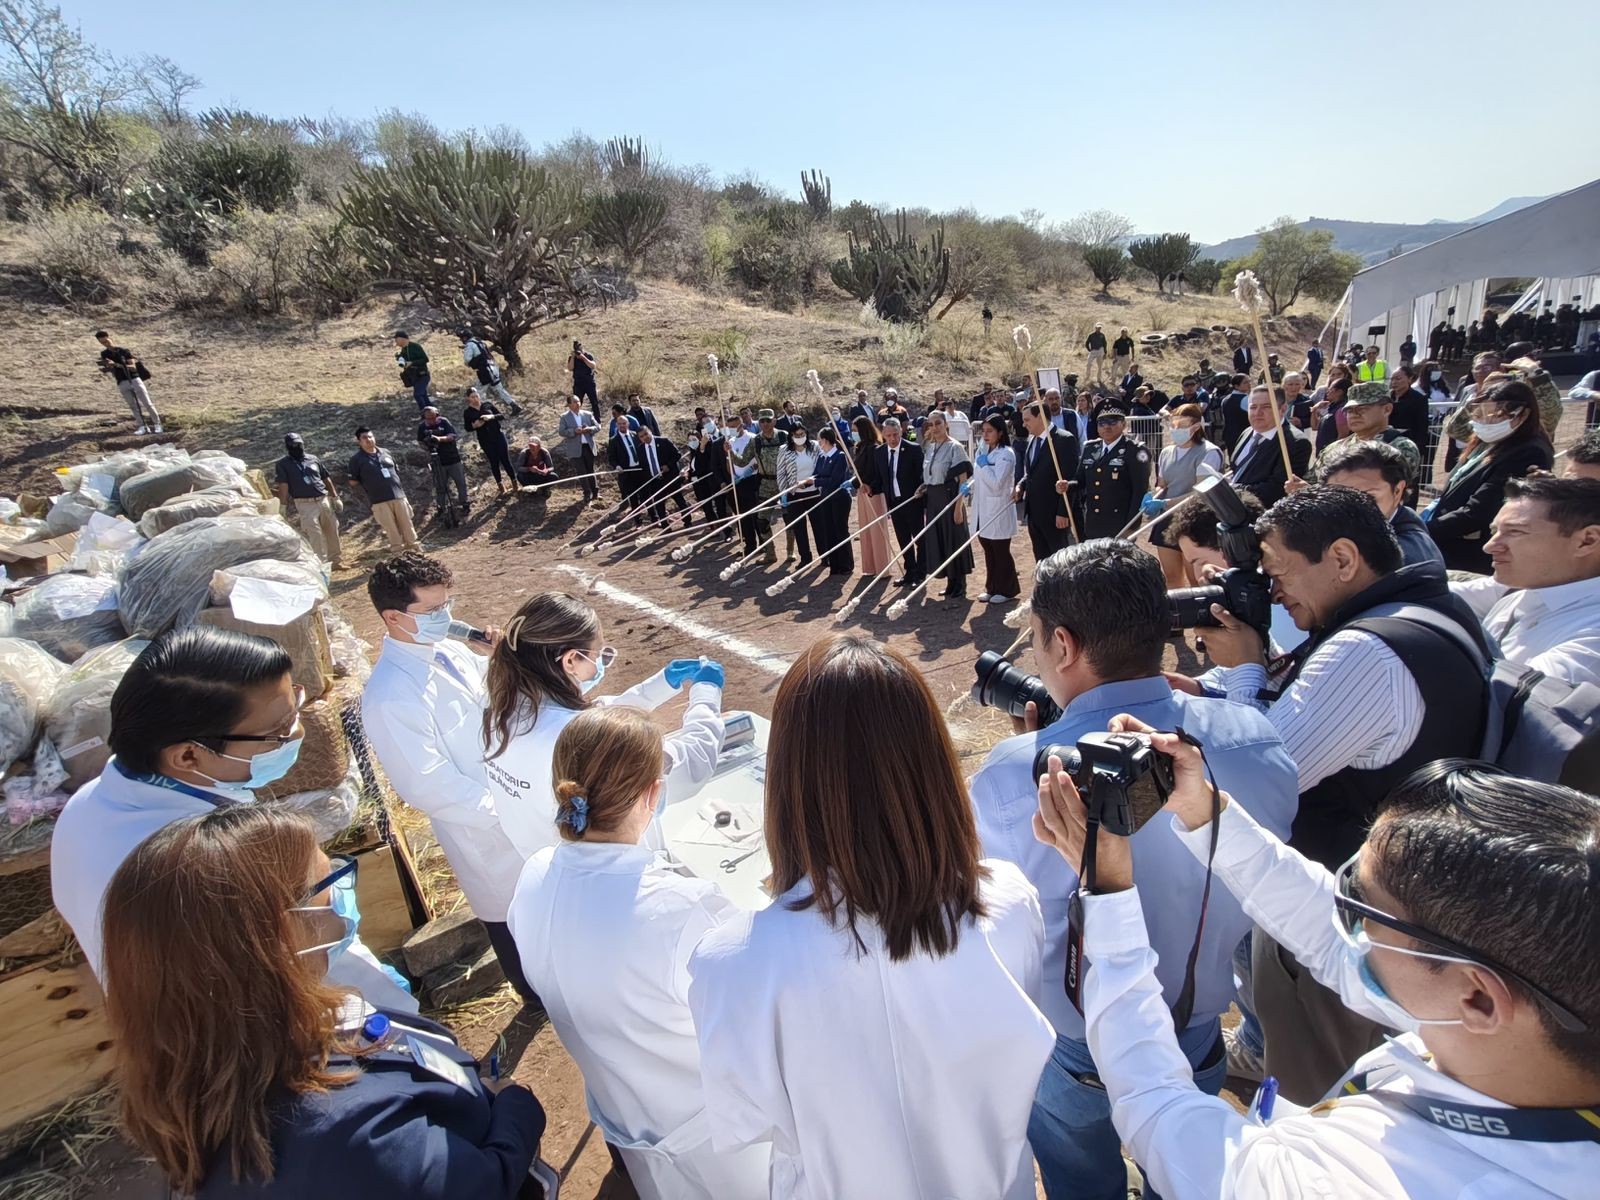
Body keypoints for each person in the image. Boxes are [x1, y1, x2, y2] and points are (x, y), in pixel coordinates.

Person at [1036, 742, 1600, 1199]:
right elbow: (1325, 931)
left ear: (1477, 998)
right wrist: (1203, 811)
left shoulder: (1336, 1184)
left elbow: (1156, 1102)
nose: (1341, 911)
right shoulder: (1531, 1017)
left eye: (1360, 905)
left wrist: (1105, 891)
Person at [968, 541, 1297, 1200]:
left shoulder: (1014, 772)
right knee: (1185, 1180)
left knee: (1078, 1181)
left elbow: (988, 918)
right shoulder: (1256, 736)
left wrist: (1037, 743)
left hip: (1074, 1044)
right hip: (1197, 1028)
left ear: (1062, 645)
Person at [689, 634, 1055, 1200]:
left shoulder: (731, 963)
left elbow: (750, 1119)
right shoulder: (1007, 900)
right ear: (931, 763)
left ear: (787, 780)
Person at [1174, 486, 1490, 1103]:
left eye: (1279, 572)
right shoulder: (1421, 609)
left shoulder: (1365, 652)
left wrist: (1242, 668)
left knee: (1316, 1086)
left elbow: (1258, 777)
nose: (1273, 592)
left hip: (1346, 919)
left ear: (1342, 559)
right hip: (1396, 889)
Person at [103, 803, 548, 1199]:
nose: (342, 897)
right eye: (330, 881)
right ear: (278, 933)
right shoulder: (351, 1133)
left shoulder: (223, 1056)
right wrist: (515, 1108)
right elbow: (481, 1184)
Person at [51, 626, 417, 1014]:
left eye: (295, 707)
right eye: (277, 732)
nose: (298, 733)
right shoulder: (207, 862)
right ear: (188, 756)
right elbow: (284, 980)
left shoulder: (90, 805)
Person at [508, 707, 768, 1197]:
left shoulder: (535, 873)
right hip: (719, 1137)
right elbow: (759, 1018)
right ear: (654, 793)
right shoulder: (682, 910)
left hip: (627, 1111)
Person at [358, 554, 537, 1007]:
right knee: (514, 926)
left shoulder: (451, 650)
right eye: (433, 612)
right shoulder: (390, 695)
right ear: (393, 617)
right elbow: (426, 785)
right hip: (486, 830)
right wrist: (508, 811)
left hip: (519, 803)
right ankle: (538, 1002)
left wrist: (501, 661)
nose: (447, 618)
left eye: (448, 606)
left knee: (545, 915)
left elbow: (492, 703)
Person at [481, 592, 726, 860]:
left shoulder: (502, 712)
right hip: (615, 875)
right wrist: (706, 693)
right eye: (597, 653)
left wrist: (661, 684)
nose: (599, 663)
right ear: (571, 660)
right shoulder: (581, 739)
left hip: (550, 867)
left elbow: (597, 719)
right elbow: (692, 764)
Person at [1450, 475, 1600, 686]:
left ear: (1587, 541)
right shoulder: (1521, 589)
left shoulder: (1593, 634)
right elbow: (1443, 594)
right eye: (1495, 532)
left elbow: (1509, 698)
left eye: (1515, 531)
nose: (1490, 546)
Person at [1427, 379, 1554, 572]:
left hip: (1474, 554)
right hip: (1451, 543)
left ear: (1523, 414)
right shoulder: (1488, 442)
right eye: (1480, 414)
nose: (1485, 421)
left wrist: (1424, 530)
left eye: (1494, 415)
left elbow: (1479, 511)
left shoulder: (1527, 452)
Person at [1315, 439, 1442, 569]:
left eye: (1367, 497)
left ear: (1397, 491)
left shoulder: (1401, 560)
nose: (1350, 509)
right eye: (1337, 498)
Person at [1148, 403, 1224, 586]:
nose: (1176, 430)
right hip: (1167, 520)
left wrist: (1166, 503)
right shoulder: (1166, 453)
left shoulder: (1209, 452)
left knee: (1196, 578)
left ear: (1196, 427)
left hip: (1194, 521)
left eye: (1181, 426)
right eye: (1173, 425)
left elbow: (1200, 493)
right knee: (1171, 577)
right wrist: (1154, 497)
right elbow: (1163, 485)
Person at [1310, 380, 1421, 502]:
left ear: (1387, 409)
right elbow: (1313, 480)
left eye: (1362, 409)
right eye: (1349, 411)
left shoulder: (1400, 448)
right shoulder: (1335, 448)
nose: (1354, 415)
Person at [919, 410, 974, 601]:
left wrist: (959, 507)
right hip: (933, 499)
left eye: (938, 423)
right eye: (931, 424)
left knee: (954, 538)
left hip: (950, 499)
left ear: (946, 424)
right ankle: (950, 582)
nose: (934, 428)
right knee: (940, 539)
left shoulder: (955, 447)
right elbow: (932, 474)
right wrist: (924, 487)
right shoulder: (930, 447)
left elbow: (963, 480)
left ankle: (960, 584)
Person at [1016, 400, 1080, 563]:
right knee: (1041, 559)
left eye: (1027, 420)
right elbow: (1031, 473)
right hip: (1034, 514)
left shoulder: (1064, 440)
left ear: (1041, 418)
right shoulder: (1032, 441)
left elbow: (1070, 478)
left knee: (1060, 560)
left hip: (1054, 514)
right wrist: (1020, 485)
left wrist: (1063, 512)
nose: (1024, 424)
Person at [1229, 386, 1312, 509]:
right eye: (1253, 407)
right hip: (1232, 509)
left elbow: (1276, 489)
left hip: (1260, 514)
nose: (1257, 413)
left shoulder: (1295, 443)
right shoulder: (1247, 432)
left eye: (1266, 407)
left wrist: (1231, 489)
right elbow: (1239, 469)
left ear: (1283, 409)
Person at [1076, 406, 1151, 539]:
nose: (1107, 427)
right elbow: (1080, 480)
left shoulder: (1134, 450)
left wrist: (1132, 526)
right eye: (1102, 423)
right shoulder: (1090, 448)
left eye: (1112, 422)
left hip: (1120, 525)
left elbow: (1140, 491)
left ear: (1123, 424)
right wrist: (1066, 485)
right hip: (1093, 523)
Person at [273, 433, 343, 571]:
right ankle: (322, 567)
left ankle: (336, 561)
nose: (297, 447)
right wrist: (283, 505)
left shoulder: (313, 459)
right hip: (304, 503)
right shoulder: (283, 464)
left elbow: (326, 478)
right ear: (287, 447)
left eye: (299, 444)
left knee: (332, 530)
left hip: (323, 500)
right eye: (293, 445)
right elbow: (283, 485)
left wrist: (335, 497)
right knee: (314, 534)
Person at [345, 427, 419, 553]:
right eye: (364, 438)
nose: (368, 440)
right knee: (391, 529)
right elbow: (353, 482)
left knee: (407, 525)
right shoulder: (356, 460)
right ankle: (398, 553)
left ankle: (414, 549)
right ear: (359, 441)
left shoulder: (386, 452)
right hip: (379, 501)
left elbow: (395, 471)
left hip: (398, 496)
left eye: (370, 436)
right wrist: (366, 497)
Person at [971, 414, 1020, 603]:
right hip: (983, 508)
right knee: (988, 549)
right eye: (983, 431)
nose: (985, 435)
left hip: (998, 508)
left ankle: (1007, 590)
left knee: (1000, 550)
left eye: (990, 431)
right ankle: (992, 587)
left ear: (1000, 432)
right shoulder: (984, 451)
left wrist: (983, 467)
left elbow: (997, 484)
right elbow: (981, 476)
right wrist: (970, 484)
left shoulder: (1006, 453)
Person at [873, 417, 925, 586]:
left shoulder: (914, 449)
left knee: (919, 538)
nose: (892, 439)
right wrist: (870, 488)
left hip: (913, 501)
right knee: (903, 539)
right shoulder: (880, 452)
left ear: (901, 432)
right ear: (883, 435)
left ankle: (920, 573)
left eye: (895, 434)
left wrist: (922, 492)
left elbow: (922, 476)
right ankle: (909, 572)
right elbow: (881, 479)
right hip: (894, 503)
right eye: (888, 436)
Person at [732, 410, 785, 565]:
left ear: (774, 421)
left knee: (791, 519)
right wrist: (730, 453)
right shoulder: (755, 441)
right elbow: (742, 462)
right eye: (762, 421)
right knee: (762, 520)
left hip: (784, 482)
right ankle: (770, 553)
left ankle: (791, 552)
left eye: (768, 421)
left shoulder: (783, 436)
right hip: (766, 485)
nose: (765, 424)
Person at [810, 425, 856, 575]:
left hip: (839, 499)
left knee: (840, 530)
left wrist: (815, 482)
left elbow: (835, 480)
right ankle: (834, 564)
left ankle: (846, 564)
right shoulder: (822, 456)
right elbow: (817, 474)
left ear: (825, 440)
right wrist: (808, 480)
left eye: (820, 440)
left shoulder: (840, 456)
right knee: (828, 530)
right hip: (825, 498)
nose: (819, 443)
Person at [95, 330, 161, 433]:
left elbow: (132, 367)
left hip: (134, 379)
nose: (106, 344)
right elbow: (110, 368)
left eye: (106, 341)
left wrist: (117, 365)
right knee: (133, 405)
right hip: (121, 381)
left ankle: (157, 424)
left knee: (147, 403)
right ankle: (143, 426)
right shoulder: (104, 354)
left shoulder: (123, 351)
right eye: (102, 342)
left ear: (110, 338)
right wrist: (107, 367)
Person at [776, 423, 821, 566]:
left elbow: (821, 467)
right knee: (799, 529)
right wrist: (785, 491)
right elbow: (781, 473)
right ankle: (805, 558)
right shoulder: (784, 450)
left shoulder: (814, 446)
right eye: (797, 435)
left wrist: (812, 481)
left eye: (802, 434)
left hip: (814, 493)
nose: (800, 437)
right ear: (791, 436)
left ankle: (824, 556)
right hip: (794, 494)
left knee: (819, 526)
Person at [463, 387, 517, 498]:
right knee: (494, 462)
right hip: (485, 440)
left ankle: (514, 482)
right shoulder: (468, 412)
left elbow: (501, 416)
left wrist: (491, 416)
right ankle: (501, 486)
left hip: (498, 435)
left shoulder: (487, 405)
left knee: (505, 459)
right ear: (468, 398)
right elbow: (467, 427)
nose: (475, 399)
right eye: (472, 397)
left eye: (476, 396)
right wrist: (475, 425)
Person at [416, 406, 469, 517]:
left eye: (433, 417)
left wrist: (439, 439)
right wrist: (427, 448)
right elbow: (420, 442)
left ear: (437, 415)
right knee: (440, 486)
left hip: (452, 458)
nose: (431, 420)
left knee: (461, 483)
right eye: (428, 419)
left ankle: (464, 503)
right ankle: (441, 507)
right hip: (437, 461)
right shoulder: (422, 427)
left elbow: (452, 436)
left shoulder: (444, 422)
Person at [633, 426, 684, 526]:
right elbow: (643, 466)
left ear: (650, 431)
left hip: (670, 477)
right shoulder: (640, 449)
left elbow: (677, 454)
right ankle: (665, 526)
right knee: (659, 504)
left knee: (679, 499)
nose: (645, 437)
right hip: (655, 480)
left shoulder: (664, 441)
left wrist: (668, 465)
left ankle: (687, 521)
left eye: (646, 434)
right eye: (641, 436)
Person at [686, 420, 731, 526]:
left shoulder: (708, 447)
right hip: (698, 484)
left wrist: (702, 447)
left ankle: (725, 527)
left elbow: (706, 464)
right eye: (690, 440)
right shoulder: (692, 452)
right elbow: (694, 468)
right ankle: (713, 526)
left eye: (694, 439)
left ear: (700, 439)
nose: (692, 441)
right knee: (706, 507)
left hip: (709, 481)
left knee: (720, 505)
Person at [458, 330, 518, 410]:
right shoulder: (480, 342)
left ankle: (486, 411)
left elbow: (467, 360)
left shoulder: (470, 345)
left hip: (484, 370)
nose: (461, 340)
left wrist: (470, 364)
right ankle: (514, 405)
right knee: (500, 389)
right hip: (493, 367)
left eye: (461, 338)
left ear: (465, 337)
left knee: (478, 392)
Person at [1385, 364, 1431, 465]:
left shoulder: (1419, 399)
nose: (1394, 382)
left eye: (1398, 378)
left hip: (1407, 444)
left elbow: (1422, 426)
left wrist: (1418, 449)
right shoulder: (1385, 397)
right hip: (1386, 444)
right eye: (1392, 379)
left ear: (1410, 379)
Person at [557, 396, 601, 501]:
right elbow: (561, 431)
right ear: (569, 404)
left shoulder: (587, 414)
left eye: (578, 401)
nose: (577, 403)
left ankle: (595, 492)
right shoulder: (564, 417)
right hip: (575, 448)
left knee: (591, 470)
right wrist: (574, 431)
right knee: (581, 471)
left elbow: (598, 427)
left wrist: (589, 429)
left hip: (588, 446)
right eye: (574, 402)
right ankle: (587, 493)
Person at [607, 419, 647, 512]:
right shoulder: (613, 440)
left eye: (624, 423)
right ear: (617, 425)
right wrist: (617, 466)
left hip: (640, 470)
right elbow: (612, 458)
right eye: (620, 424)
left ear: (628, 424)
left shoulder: (636, 435)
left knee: (646, 494)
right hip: (627, 472)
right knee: (633, 498)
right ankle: (638, 521)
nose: (622, 425)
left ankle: (654, 517)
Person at [393, 331, 431, 411]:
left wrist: (412, 363)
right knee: (423, 395)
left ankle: (425, 414)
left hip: (422, 375)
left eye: (396, 339)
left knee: (418, 395)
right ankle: (433, 413)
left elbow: (425, 359)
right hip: (414, 377)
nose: (396, 342)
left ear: (401, 338)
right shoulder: (403, 350)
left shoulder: (415, 346)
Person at [1216, 373, 1251, 454]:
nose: (1249, 384)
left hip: (1229, 435)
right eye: (1245, 382)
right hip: (1243, 435)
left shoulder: (1225, 400)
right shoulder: (1246, 399)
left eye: (1249, 381)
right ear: (1236, 386)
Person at [568, 339, 599, 418]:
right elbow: (570, 368)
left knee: (594, 402)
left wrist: (583, 357)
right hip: (578, 384)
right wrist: (572, 357)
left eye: (579, 348)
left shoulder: (588, 355)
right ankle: (577, 419)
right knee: (577, 403)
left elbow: (593, 366)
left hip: (589, 383)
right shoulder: (572, 358)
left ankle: (597, 420)